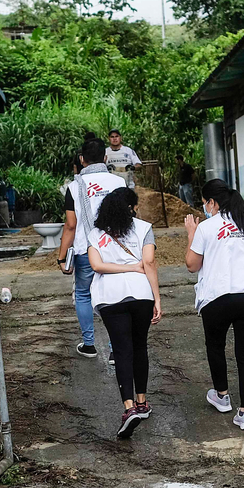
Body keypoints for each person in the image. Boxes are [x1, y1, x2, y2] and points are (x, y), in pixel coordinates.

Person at [185, 179, 244, 431]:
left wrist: (191, 233)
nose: (205, 208)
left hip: (218, 297)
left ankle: (222, 396)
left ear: (212, 202)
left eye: (204, 204)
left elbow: (191, 264)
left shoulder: (206, 228)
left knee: (215, 345)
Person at [87, 188, 162, 439]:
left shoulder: (96, 234)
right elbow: (149, 262)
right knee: (140, 346)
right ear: (131, 207)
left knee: (122, 351)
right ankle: (142, 403)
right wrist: (157, 298)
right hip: (141, 294)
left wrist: (121, 268)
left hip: (110, 298)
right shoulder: (143, 228)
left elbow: (96, 266)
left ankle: (129, 409)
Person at [58, 138, 126, 359]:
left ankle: (89, 344)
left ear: (81, 159)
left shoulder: (75, 186)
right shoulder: (118, 183)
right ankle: (116, 350)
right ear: (105, 158)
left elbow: (70, 225)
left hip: (85, 250)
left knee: (83, 294)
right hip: (114, 249)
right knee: (115, 296)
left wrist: (61, 257)